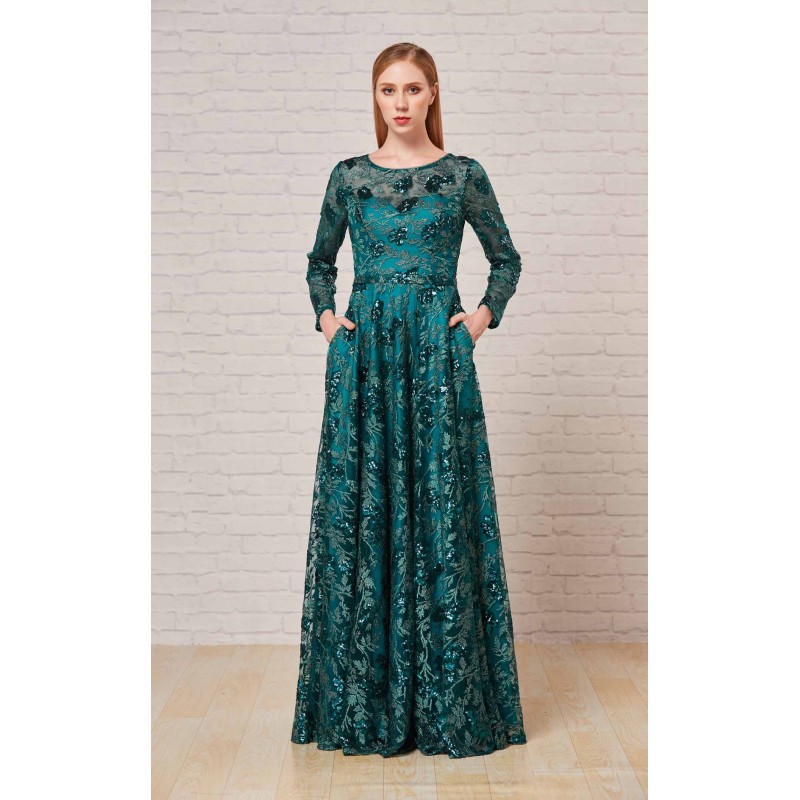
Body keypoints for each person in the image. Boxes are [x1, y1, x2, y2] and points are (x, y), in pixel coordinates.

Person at [290, 42, 527, 759]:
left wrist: (480, 319)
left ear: (432, 94)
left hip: (435, 355)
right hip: (365, 361)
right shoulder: (349, 177)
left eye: (413, 88)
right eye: (388, 89)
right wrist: (328, 320)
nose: (400, 101)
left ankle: (445, 705)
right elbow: (319, 262)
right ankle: (366, 704)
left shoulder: (462, 176)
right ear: (376, 96)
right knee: (363, 507)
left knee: (441, 505)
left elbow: (506, 259)